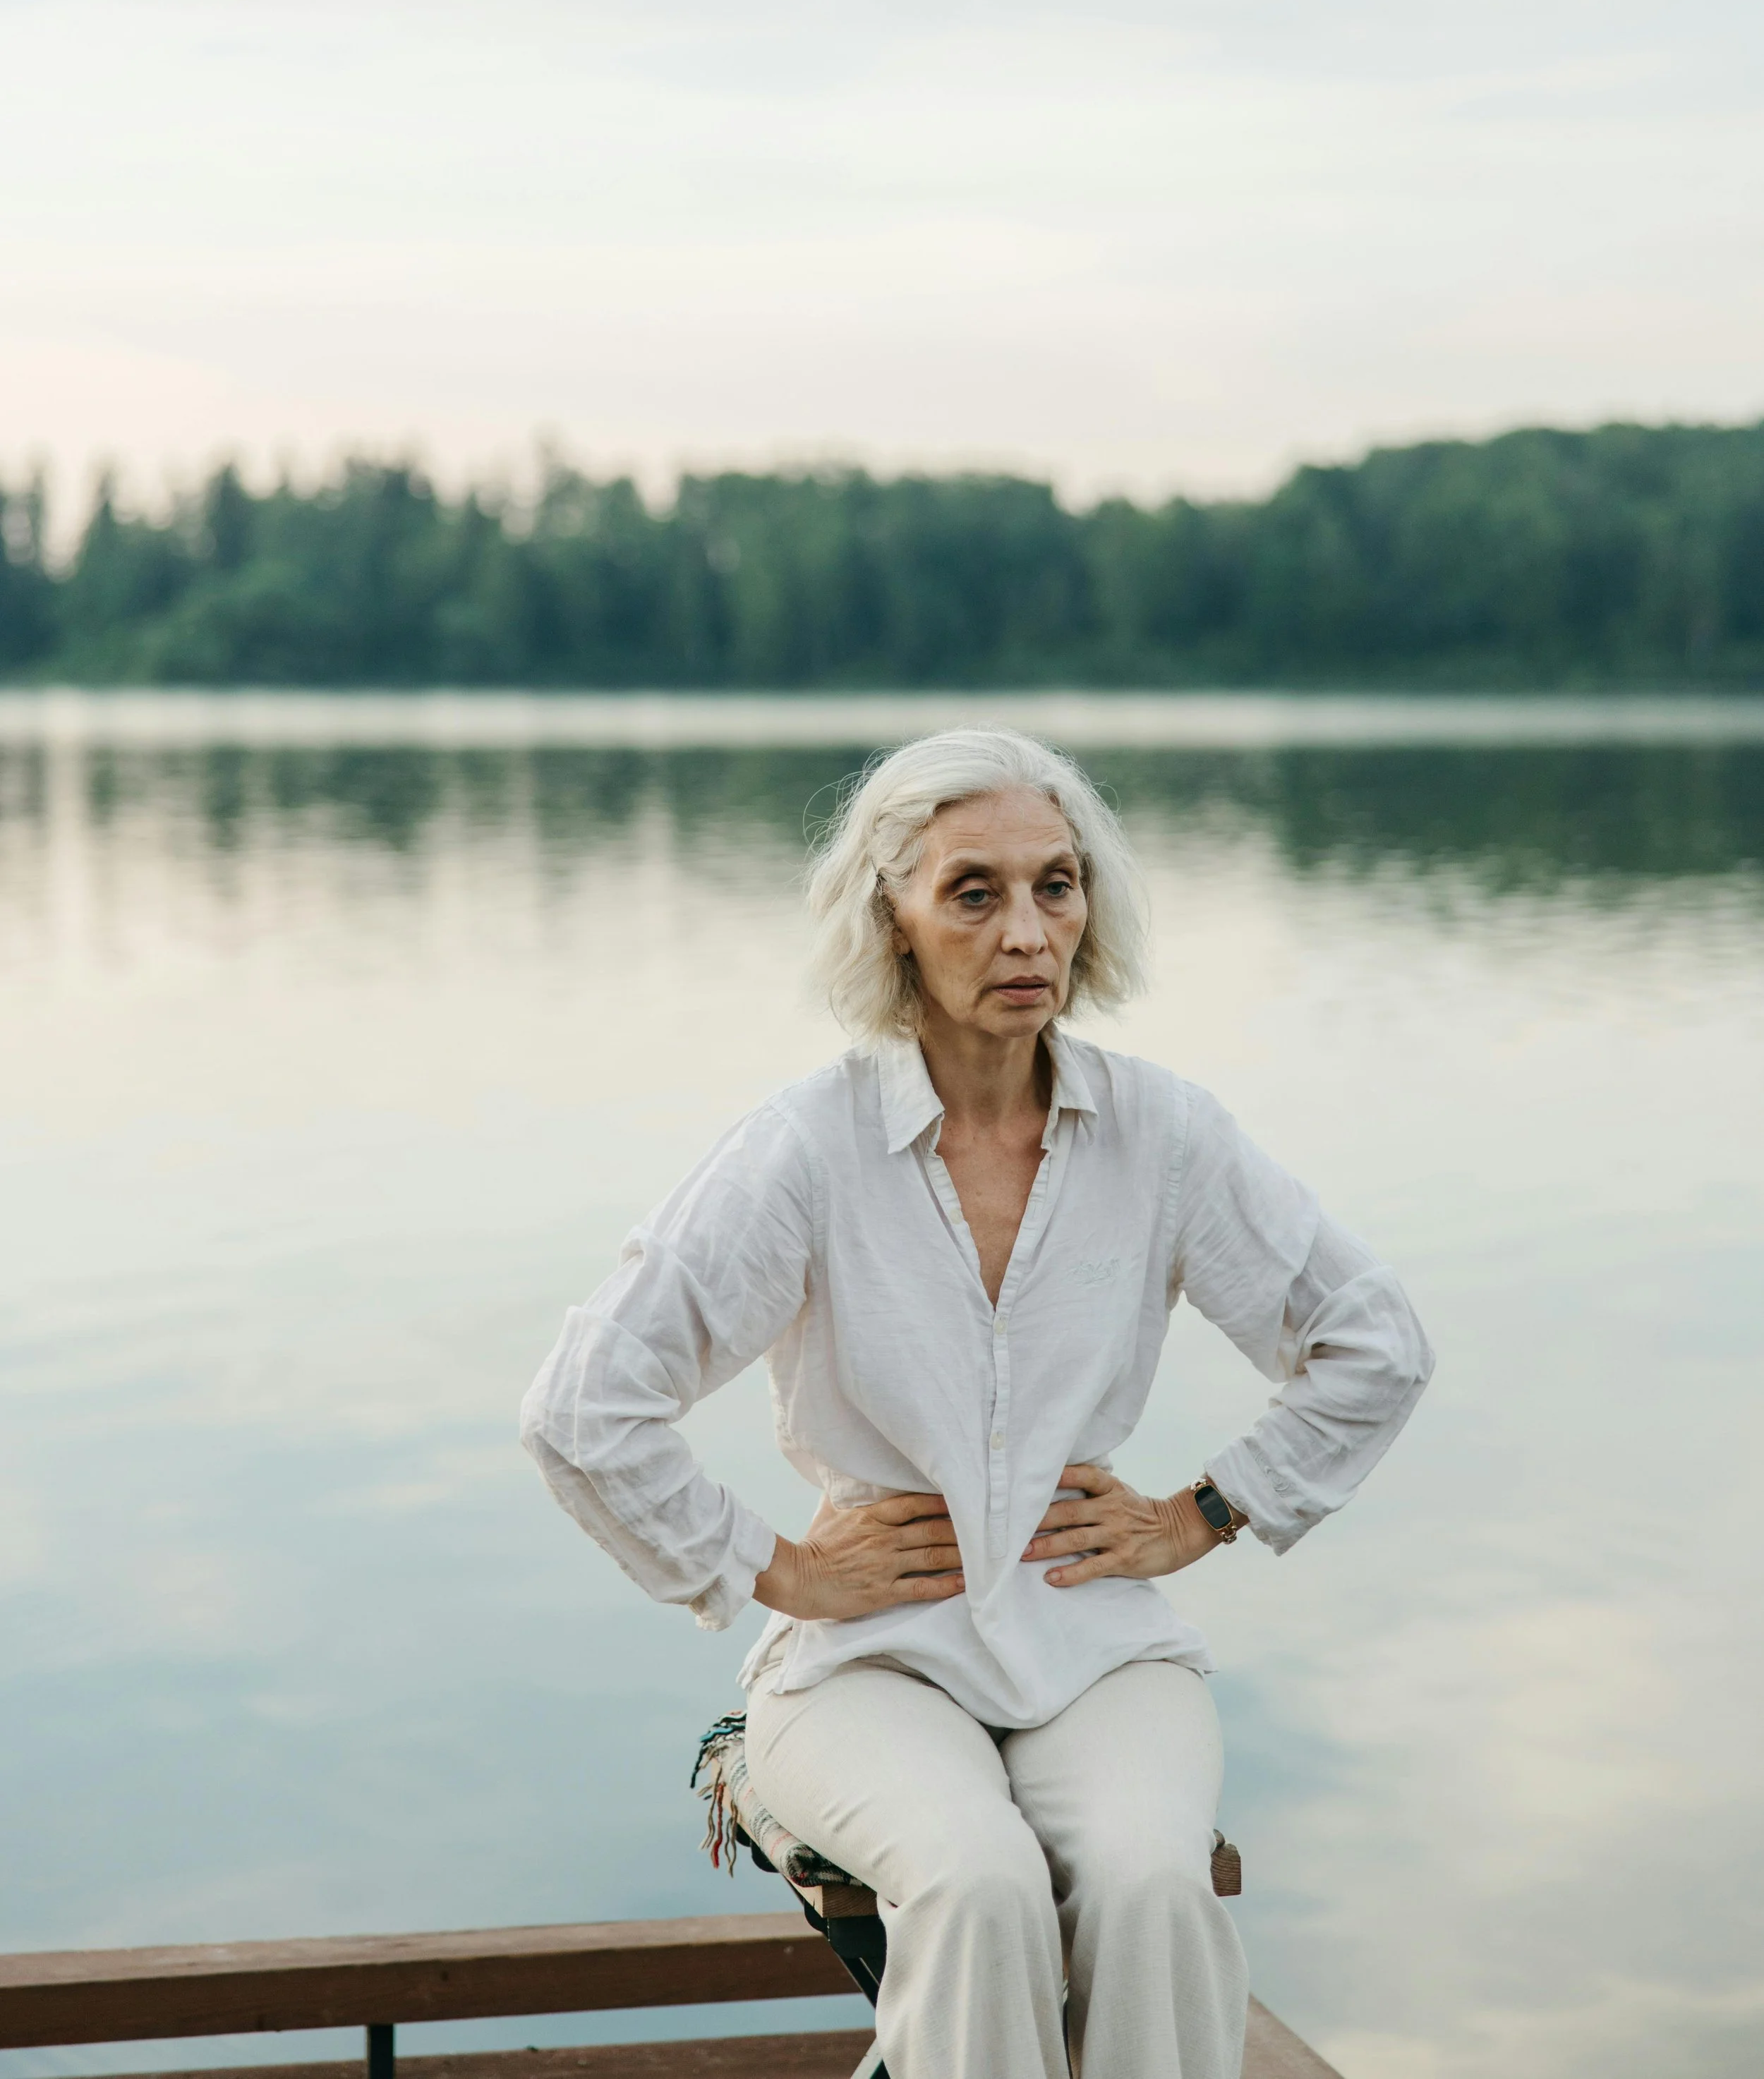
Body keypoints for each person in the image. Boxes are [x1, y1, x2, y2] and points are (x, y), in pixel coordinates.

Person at [521, 728, 1432, 2079]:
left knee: (1151, 1885)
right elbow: (585, 1405)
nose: (1026, 932)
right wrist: (777, 1568)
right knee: (976, 1882)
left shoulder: (1163, 1134)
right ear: (892, 919)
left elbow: (1375, 1342)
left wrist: (1206, 1512)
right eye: (974, 892)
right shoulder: (807, 1148)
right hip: (869, 1659)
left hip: (1094, 1643)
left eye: (1055, 887)